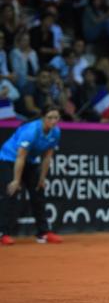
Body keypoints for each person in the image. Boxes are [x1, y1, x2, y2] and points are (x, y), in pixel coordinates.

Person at [0, 105, 63, 245]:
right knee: (11, 192)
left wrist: (42, 178)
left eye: (56, 118)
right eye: (50, 118)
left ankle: (43, 233)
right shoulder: (31, 131)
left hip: (28, 161)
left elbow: (47, 157)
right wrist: (16, 180)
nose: (53, 121)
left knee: (38, 192)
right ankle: (3, 233)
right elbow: (20, 156)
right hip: (8, 159)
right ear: (43, 118)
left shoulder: (56, 132)